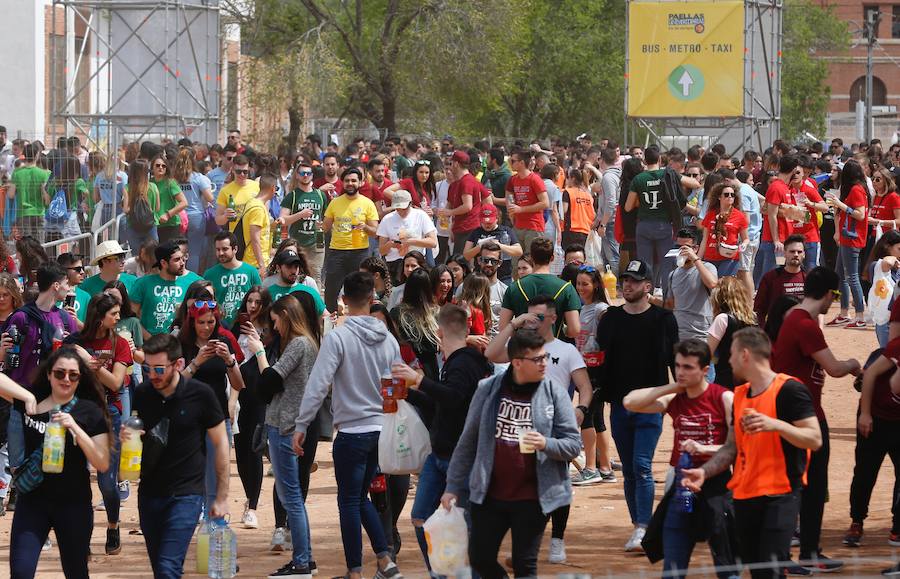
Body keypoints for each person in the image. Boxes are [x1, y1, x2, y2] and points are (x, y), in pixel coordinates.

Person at [682, 327, 822, 579]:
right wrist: (704, 471)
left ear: (745, 354)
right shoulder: (740, 395)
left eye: (732, 353)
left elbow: (814, 438)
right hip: (745, 495)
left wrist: (775, 424)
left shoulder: (790, 390)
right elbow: (731, 447)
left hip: (780, 494)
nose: (728, 359)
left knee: (769, 570)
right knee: (757, 571)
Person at [441, 328, 581, 578]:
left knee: (525, 565)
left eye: (545, 357)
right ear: (517, 362)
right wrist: (452, 485)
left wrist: (546, 443)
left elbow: (572, 443)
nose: (543, 364)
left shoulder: (554, 393)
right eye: (537, 359)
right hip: (489, 495)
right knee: (480, 559)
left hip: (534, 498)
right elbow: (468, 440)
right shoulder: (488, 389)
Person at [292, 271, 404, 579]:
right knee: (358, 497)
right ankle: (384, 559)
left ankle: (355, 571)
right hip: (380, 429)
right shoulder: (389, 340)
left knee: (349, 502)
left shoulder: (338, 337)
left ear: (342, 301)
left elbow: (318, 384)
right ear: (372, 299)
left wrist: (302, 424)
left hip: (352, 433)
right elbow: (397, 386)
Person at [485, 295, 593, 564]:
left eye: (539, 317)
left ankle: (557, 539)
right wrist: (513, 324)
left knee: (558, 483)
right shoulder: (518, 347)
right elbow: (491, 353)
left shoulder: (566, 350)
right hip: (520, 424)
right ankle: (525, 544)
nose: (533, 322)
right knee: (524, 484)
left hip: (556, 426)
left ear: (554, 319)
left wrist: (581, 410)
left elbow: (585, 386)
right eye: (529, 316)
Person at [771, 267, 860, 573]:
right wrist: (855, 364)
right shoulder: (805, 323)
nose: (832, 302)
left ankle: (801, 551)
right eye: (835, 296)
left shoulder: (794, 317)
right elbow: (834, 368)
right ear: (828, 294)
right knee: (805, 487)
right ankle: (801, 552)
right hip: (804, 416)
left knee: (800, 486)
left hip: (795, 412)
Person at [623, 339, 736, 579]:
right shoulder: (675, 398)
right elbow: (630, 402)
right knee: (673, 569)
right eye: (678, 366)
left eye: (688, 367)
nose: (681, 372)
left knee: (728, 567)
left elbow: (736, 447)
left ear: (705, 370)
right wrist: (672, 388)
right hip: (680, 488)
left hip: (716, 486)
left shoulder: (724, 397)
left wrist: (704, 448)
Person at [391, 303, 491, 573]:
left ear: (439, 333)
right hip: (440, 456)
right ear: (467, 328)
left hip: (459, 458)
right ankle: (440, 574)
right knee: (421, 517)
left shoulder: (463, 363)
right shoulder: (460, 361)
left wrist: (418, 380)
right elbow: (441, 404)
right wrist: (408, 393)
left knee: (465, 527)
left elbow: (453, 397)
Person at [2, 348, 110, 579]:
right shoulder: (32, 401)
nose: (66, 379)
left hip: (73, 504)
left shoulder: (89, 412)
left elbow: (102, 463)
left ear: (80, 378)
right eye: (60, 373)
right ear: (49, 374)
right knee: (20, 572)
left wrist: (75, 429)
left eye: (73, 375)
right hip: (32, 503)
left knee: (76, 572)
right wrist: (27, 396)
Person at [128, 334, 229, 577]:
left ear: (179, 364)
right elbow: (139, 438)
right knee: (161, 568)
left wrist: (222, 496)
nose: (153, 375)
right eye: (149, 369)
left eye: (160, 369)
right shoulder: (143, 393)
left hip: (187, 494)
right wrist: (130, 438)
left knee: (167, 567)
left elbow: (221, 443)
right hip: (150, 494)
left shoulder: (200, 394)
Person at [595, 259, 679, 551]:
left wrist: (678, 397)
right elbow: (599, 359)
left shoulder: (664, 320)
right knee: (629, 469)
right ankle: (638, 526)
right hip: (619, 406)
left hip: (651, 405)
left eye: (633, 280)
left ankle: (644, 528)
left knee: (642, 465)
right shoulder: (611, 319)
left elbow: (675, 363)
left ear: (647, 286)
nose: (627, 285)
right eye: (624, 280)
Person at [245, 295, 320, 578]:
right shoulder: (308, 343)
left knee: (291, 498)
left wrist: (259, 352)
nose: (274, 328)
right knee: (293, 497)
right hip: (292, 424)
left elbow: (267, 384)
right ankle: (305, 558)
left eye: (276, 321)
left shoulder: (299, 344)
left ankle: (301, 562)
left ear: (286, 316)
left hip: (286, 426)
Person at [847, 332, 900, 556]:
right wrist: (865, 414)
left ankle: (898, 527)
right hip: (875, 416)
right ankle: (857, 521)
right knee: (865, 473)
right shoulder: (897, 348)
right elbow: (869, 377)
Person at [626, 146, 700, 288]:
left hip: (644, 225)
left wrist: (640, 200)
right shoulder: (668, 174)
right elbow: (695, 184)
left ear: (644, 161)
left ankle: (646, 296)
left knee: (645, 264)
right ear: (660, 159)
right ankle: (668, 296)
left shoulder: (638, 179)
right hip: (663, 225)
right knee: (667, 262)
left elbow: (628, 207)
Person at [571, 264, 615, 485]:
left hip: (595, 371)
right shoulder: (582, 308)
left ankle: (591, 468)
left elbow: (608, 340)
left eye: (585, 284)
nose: (581, 288)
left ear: (596, 284)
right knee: (597, 419)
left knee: (586, 416)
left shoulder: (601, 310)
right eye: (578, 284)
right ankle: (605, 468)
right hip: (584, 369)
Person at [322, 168, 379, 313]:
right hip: (337, 253)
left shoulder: (368, 203)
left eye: (353, 180)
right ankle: (331, 323)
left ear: (360, 182)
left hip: (359, 253)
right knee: (330, 290)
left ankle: (361, 320)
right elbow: (325, 227)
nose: (350, 183)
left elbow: (375, 232)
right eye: (347, 180)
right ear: (342, 182)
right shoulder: (335, 203)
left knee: (361, 290)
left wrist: (365, 227)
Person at [500, 237, 581, 339]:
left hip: (523, 349)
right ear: (552, 258)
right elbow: (574, 330)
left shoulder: (514, 287)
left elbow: (503, 328)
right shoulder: (566, 288)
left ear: (532, 258)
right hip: (554, 349)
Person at [826, 159, 869, 329]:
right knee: (840, 276)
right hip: (847, 237)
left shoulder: (857, 190)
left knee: (851, 277)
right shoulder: (854, 189)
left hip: (853, 238)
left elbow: (860, 215)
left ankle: (860, 315)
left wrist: (840, 205)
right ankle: (844, 313)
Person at [129, 242, 203, 335]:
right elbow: (131, 317)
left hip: (182, 343)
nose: (182, 263)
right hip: (151, 344)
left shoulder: (195, 282)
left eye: (182, 258)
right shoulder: (143, 284)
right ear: (163, 263)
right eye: (176, 260)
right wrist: (149, 338)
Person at [663, 228, 718, 341]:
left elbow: (712, 283)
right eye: (678, 247)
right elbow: (671, 305)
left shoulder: (707, 267)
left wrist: (695, 259)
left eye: (685, 248)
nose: (681, 251)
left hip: (701, 334)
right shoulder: (673, 275)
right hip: (678, 334)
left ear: (695, 248)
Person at [755, 156, 800, 286]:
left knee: (779, 272)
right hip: (774, 243)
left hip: (783, 241)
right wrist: (776, 240)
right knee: (770, 275)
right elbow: (771, 214)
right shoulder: (776, 187)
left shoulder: (786, 188)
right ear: (793, 170)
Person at [279, 161, 328, 284]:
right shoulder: (292, 196)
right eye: (302, 173)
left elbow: (327, 218)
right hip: (297, 243)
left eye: (308, 173)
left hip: (316, 243)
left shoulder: (320, 195)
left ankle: (314, 302)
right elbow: (283, 219)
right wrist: (300, 215)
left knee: (316, 276)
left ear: (312, 175)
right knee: (297, 275)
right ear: (297, 175)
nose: (305, 175)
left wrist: (323, 225)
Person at [203, 230, 263, 328]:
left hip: (246, 326)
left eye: (225, 249)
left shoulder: (251, 271)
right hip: (220, 326)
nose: (221, 253)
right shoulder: (209, 274)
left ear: (235, 249)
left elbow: (261, 298)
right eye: (218, 249)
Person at [376, 190, 437, 284]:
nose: (401, 212)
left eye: (404, 208)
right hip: (395, 263)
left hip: (416, 262)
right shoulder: (387, 219)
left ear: (410, 204)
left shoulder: (420, 215)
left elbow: (433, 242)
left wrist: (412, 241)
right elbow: (381, 250)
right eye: (398, 208)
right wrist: (390, 245)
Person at [707, 276, 757, 390]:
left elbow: (707, 352)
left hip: (725, 380)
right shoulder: (752, 319)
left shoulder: (722, 319)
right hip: (749, 380)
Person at [504, 149, 549, 273]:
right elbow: (509, 198)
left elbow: (545, 203)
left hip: (533, 226)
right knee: (516, 264)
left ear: (522, 163)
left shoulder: (535, 179)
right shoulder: (513, 179)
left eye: (513, 161)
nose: (510, 163)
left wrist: (521, 209)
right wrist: (512, 212)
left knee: (532, 262)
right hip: (518, 226)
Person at [440, 150, 492, 252]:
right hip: (459, 228)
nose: (450, 167)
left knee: (461, 263)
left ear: (456, 164)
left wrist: (450, 212)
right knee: (457, 261)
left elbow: (468, 206)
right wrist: (448, 221)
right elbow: (488, 200)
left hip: (468, 229)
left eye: (451, 164)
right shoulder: (457, 184)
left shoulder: (467, 181)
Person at [172, 148, 214, 273]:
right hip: (196, 217)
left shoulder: (174, 178)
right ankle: (191, 280)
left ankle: (178, 274)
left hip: (178, 216)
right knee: (194, 251)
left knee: (177, 250)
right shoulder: (198, 178)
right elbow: (210, 198)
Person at [462, 204, 522, 285]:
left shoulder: (506, 231)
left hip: (503, 276)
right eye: (484, 222)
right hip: (481, 276)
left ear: (497, 219)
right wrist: (480, 246)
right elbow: (466, 255)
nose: (487, 225)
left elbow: (519, 251)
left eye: (490, 222)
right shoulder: (476, 232)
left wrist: (500, 246)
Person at [754, 234, 806, 327]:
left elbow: (816, 307)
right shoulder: (770, 278)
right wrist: (763, 330)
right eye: (792, 251)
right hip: (776, 331)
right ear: (784, 253)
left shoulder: (809, 278)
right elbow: (759, 309)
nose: (796, 255)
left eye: (799, 252)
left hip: (802, 329)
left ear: (804, 254)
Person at [699, 182, 749, 277]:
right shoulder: (710, 214)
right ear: (719, 197)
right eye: (726, 195)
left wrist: (743, 245)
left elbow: (746, 238)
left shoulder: (739, 216)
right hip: (710, 257)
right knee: (710, 287)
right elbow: (704, 239)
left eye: (732, 195)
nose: (730, 197)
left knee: (723, 286)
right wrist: (698, 259)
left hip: (730, 257)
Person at [266, 249, 326, 316]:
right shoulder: (268, 294)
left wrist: (330, 319)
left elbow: (325, 316)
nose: (294, 271)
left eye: (296, 266)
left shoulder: (309, 292)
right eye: (289, 266)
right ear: (278, 268)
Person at [149, 154, 188, 245]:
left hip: (171, 224)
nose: (161, 168)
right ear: (152, 168)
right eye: (157, 165)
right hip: (154, 225)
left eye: (163, 166)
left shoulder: (170, 183)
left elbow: (184, 202)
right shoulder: (149, 183)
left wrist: (168, 214)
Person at [215, 153, 260, 228]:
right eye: (238, 171)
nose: (242, 174)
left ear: (249, 170)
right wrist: (225, 216)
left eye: (245, 172)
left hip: (254, 232)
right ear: (232, 170)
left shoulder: (257, 186)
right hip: (236, 234)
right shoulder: (225, 190)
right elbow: (218, 220)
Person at [55, 252, 91, 324]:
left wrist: (75, 321)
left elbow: (89, 331)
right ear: (63, 270)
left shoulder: (85, 297)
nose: (82, 272)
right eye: (78, 269)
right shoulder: (52, 293)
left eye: (82, 268)